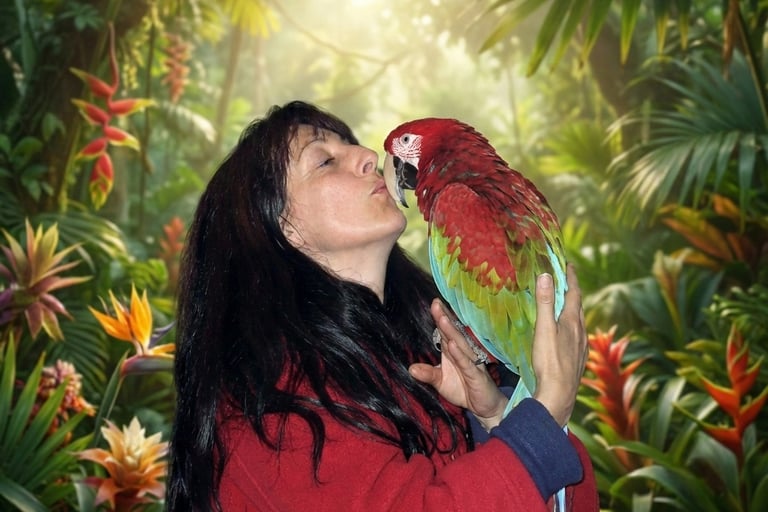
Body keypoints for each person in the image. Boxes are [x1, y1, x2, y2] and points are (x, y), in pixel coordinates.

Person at [166, 100, 598, 511]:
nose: (368, 156)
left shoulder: (424, 359)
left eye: (351, 144)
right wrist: (544, 416)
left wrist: (495, 418)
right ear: (280, 227)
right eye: (324, 160)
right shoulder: (266, 404)